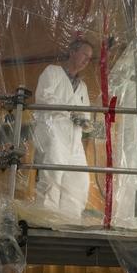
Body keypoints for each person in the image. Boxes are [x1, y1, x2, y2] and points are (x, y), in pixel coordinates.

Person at [34, 37, 94, 220]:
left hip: (74, 141)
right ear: (72, 52)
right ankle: (45, 219)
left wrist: (84, 121)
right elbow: (44, 97)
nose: (86, 60)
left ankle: (70, 220)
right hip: (53, 135)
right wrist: (70, 112)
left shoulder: (82, 86)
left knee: (79, 180)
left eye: (90, 58)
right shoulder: (52, 72)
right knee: (53, 177)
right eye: (85, 54)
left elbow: (86, 115)